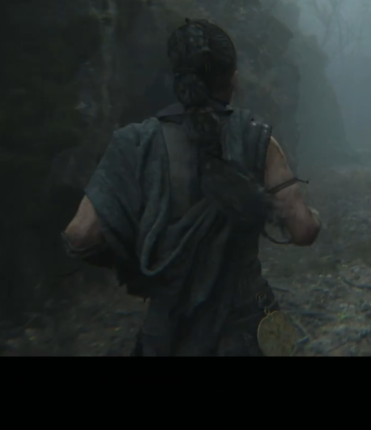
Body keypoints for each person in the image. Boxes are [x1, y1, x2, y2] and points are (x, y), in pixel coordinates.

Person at [60, 18, 321, 356]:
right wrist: (313, 215)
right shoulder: (258, 138)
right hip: (247, 322)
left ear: (178, 79)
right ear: (233, 80)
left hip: (168, 329)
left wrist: (141, 257)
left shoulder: (133, 144)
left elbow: (81, 234)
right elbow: (303, 230)